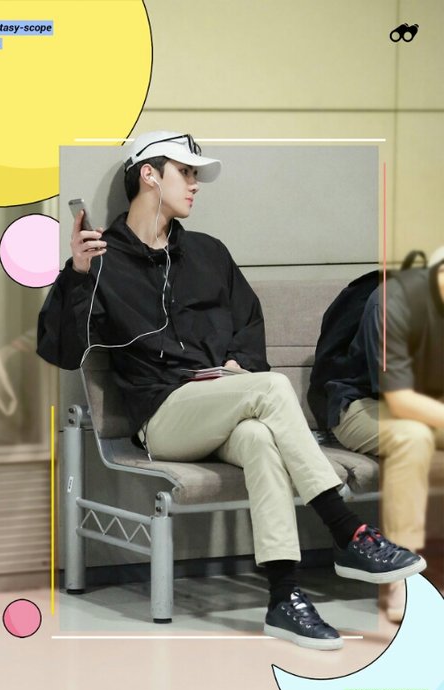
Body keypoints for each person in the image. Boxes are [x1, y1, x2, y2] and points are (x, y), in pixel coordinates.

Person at [37, 131, 426, 649]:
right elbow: (63, 351)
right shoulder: (103, 260)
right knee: (270, 389)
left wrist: (241, 364)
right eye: (185, 173)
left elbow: (249, 323)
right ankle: (348, 530)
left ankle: (283, 599)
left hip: (224, 403)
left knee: (260, 439)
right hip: (163, 418)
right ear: (149, 175)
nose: (195, 185)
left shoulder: (209, 254)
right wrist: (78, 274)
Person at [328, 256, 444, 621]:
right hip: (361, 405)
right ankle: (401, 581)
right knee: (412, 438)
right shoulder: (392, 301)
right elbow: (399, 399)